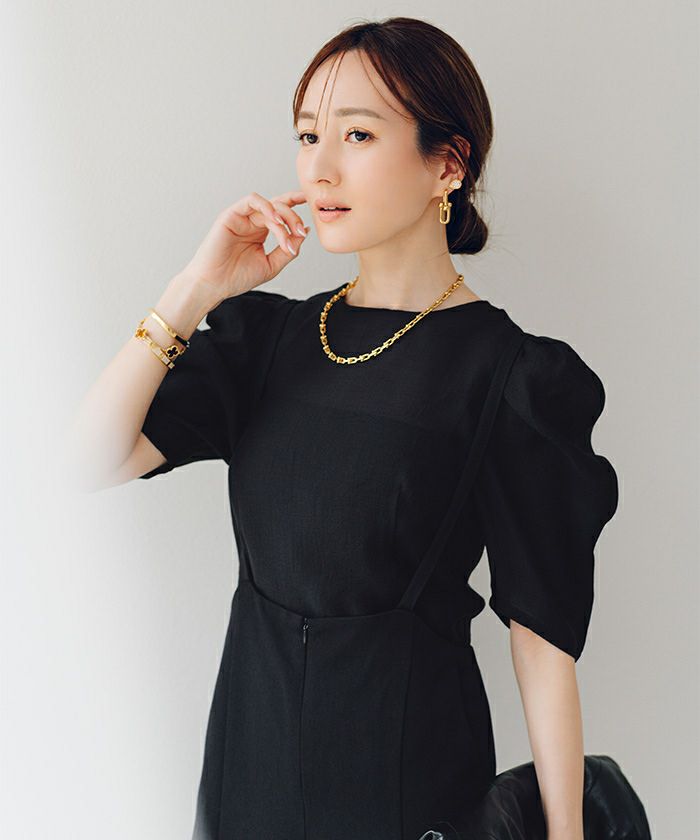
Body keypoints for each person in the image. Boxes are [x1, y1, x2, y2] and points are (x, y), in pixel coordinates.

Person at [71, 17, 621, 840]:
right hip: (246, 780)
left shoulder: (512, 377)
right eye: (308, 136)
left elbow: (542, 642)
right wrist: (195, 288)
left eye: (357, 135)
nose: (320, 168)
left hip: (404, 791)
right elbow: (86, 460)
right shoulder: (268, 342)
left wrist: (566, 832)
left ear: (447, 164)